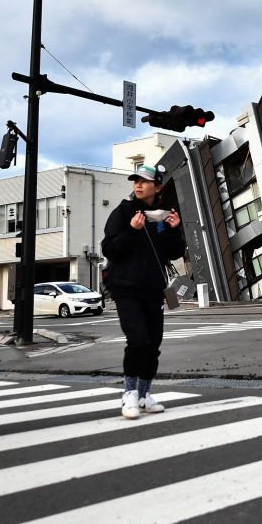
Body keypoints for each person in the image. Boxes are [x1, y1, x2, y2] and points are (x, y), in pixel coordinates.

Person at [101, 164, 184, 419]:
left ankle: (146, 394)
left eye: (144, 181)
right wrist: (132, 230)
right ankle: (129, 394)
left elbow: (175, 252)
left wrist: (174, 229)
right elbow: (109, 248)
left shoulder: (162, 215)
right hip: (126, 288)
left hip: (154, 289)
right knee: (137, 340)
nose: (138, 185)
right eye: (136, 180)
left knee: (153, 344)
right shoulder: (123, 212)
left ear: (157, 187)